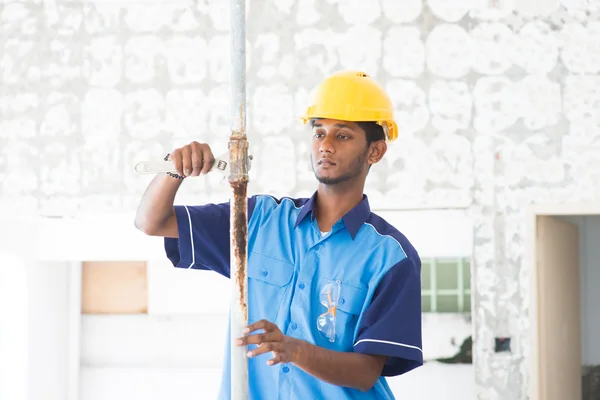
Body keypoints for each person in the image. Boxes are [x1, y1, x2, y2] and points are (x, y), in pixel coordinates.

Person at [134, 70, 423, 399]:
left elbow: (365, 372)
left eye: (342, 136)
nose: (325, 145)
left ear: (375, 152)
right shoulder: (259, 221)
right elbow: (151, 222)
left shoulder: (391, 257)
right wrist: (174, 169)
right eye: (319, 133)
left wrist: (295, 350)